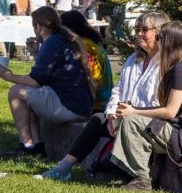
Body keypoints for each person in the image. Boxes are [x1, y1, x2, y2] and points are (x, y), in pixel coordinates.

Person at [36, 10, 168, 181]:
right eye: (137, 29)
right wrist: (113, 113)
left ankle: (132, 176)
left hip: (147, 120)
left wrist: (129, 113)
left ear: (159, 31)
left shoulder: (165, 64)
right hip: (124, 115)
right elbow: (119, 90)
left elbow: (158, 102)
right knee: (99, 119)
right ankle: (64, 167)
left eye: (144, 29)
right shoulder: (133, 59)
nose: (139, 34)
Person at [0, 6, 93, 157]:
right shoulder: (61, 39)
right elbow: (47, 77)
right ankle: (36, 146)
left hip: (69, 106)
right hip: (79, 105)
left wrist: (7, 75)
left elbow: (35, 81)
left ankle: (27, 145)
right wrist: (36, 53)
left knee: (16, 92)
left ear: (38, 27)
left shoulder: (52, 42)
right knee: (29, 95)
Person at [109, 20, 182, 191]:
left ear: (169, 41)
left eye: (160, 37)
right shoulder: (175, 67)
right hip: (174, 126)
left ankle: (142, 180)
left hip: (177, 131)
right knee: (129, 118)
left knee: (131, 121)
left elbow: (171, 111)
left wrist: (134, 110)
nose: (157, 40)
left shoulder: (179, 68)